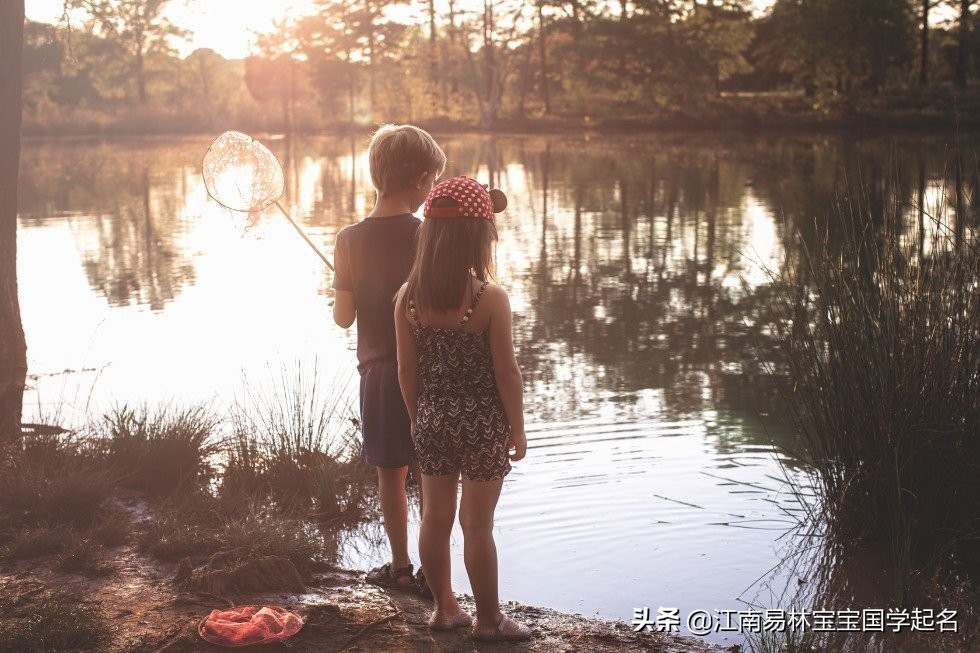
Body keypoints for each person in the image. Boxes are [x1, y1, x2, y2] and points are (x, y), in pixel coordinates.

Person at [393, 176, 532, 641]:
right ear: (478, 238)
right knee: (477, 524)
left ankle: (445, 609)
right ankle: (490, 621)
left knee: (434, 517)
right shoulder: (488, 299)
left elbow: (405, 373)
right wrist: (518, 429)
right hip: (481, 424)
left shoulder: (407, 300)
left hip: (431, 418)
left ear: (429, 235)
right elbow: (506, 374)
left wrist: (419, 418)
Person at [332, 124, 446, 592]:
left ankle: (399, 567)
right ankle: (433, 574)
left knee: (391, 476)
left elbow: (342, 318)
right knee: (433, 477)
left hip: (379, 373)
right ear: (421, 179)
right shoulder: (430, 235)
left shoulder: (348, 239)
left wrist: (344, 292)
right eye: (433, 181)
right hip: (430, 373)